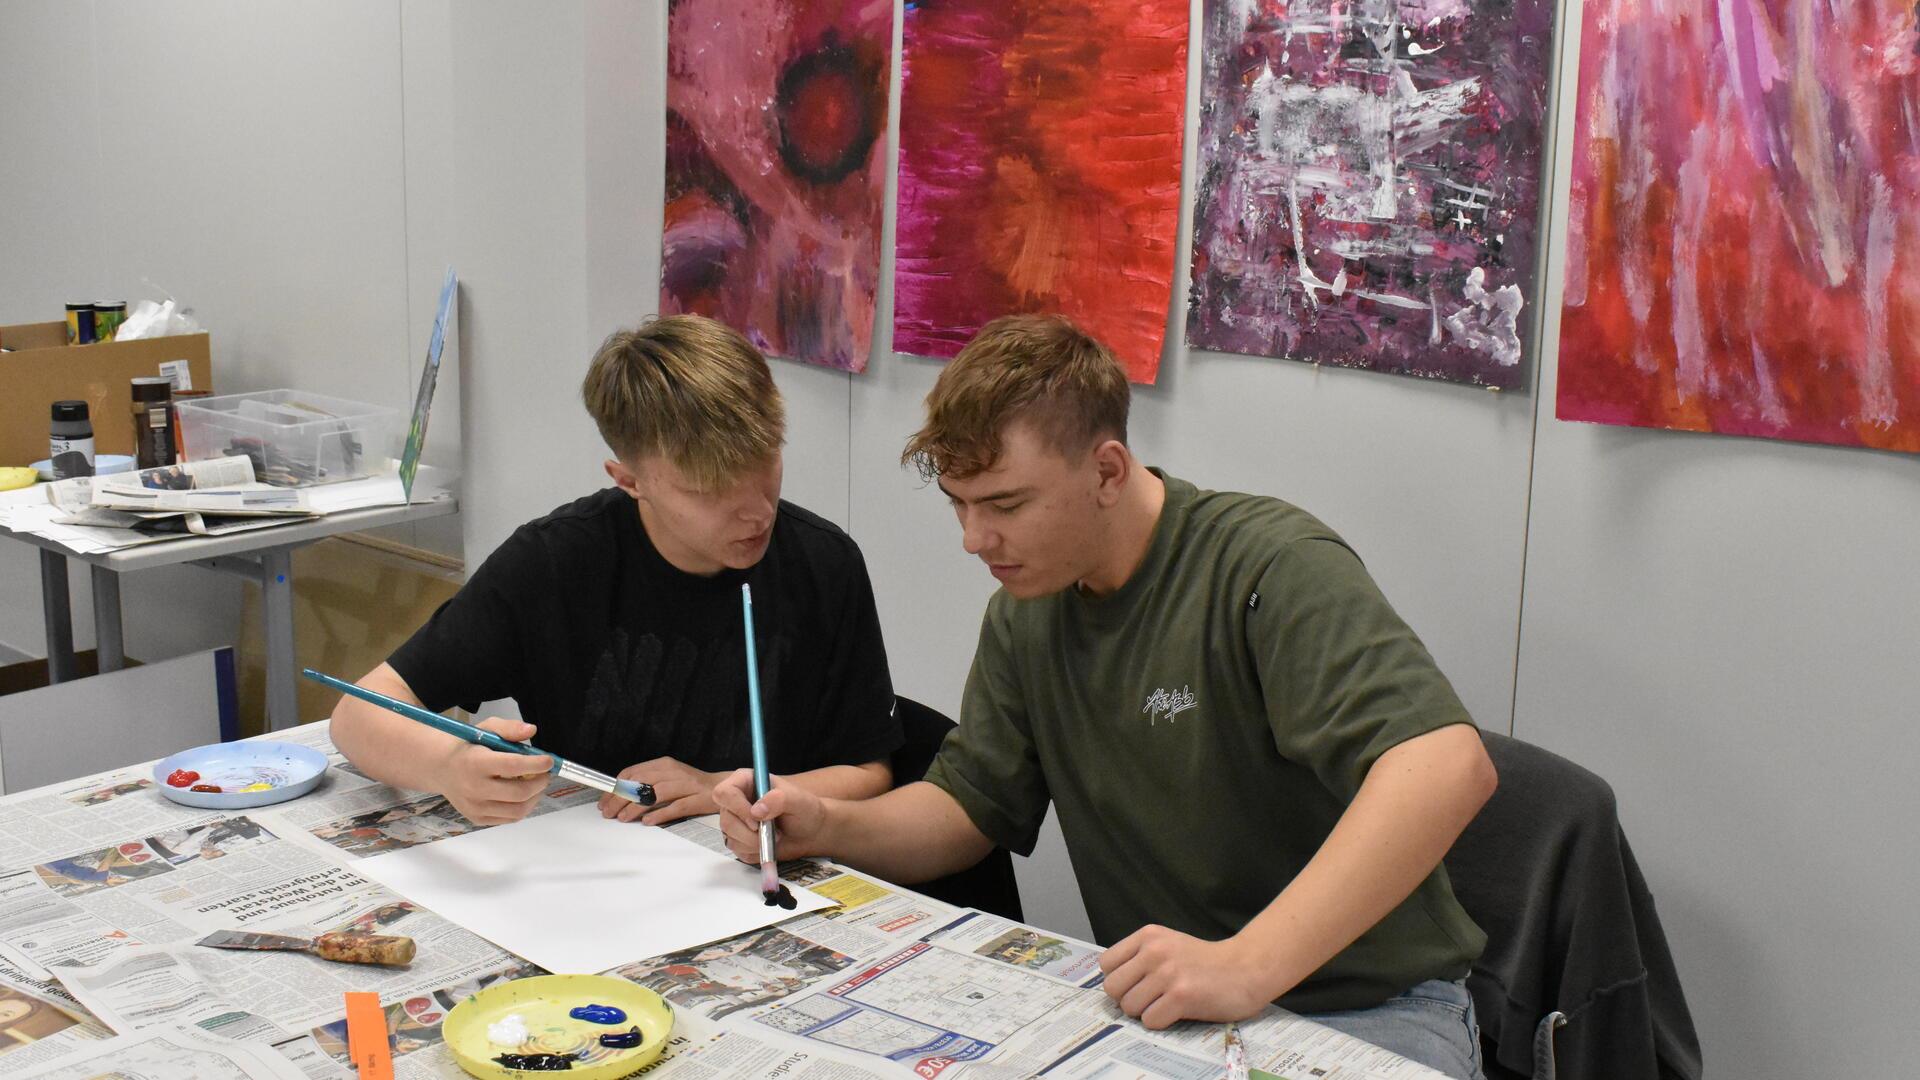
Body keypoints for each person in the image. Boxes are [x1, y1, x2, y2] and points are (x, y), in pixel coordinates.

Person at [715, 316, 1498, 1077]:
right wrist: (828, 823)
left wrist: (1247, 966)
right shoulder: (1028, 611)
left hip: (1366, 1008)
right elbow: (969, 809)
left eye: (1006, 505)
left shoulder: (1267, 568)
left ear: (1108, 471)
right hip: (1176, 1009)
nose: (973, 539)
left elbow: (1447, 767)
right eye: (959, 502)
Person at [331, 314, 901, 828]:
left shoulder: (824, 564)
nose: (757, 511)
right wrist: (449, 765)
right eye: (709, 491)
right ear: (629, 481)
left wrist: (716, 789)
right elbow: (358, 715)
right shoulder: (557, 562)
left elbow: (869, 771)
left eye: (766, 464)